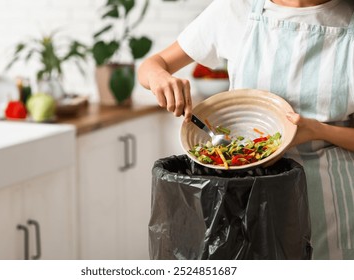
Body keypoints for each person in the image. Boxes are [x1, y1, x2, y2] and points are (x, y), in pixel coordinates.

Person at [138, 0, 354, 259]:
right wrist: (159, 77)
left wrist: (317, 130)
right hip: (243, 200)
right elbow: (153, 64)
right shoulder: (236, 9)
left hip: (328, 201)